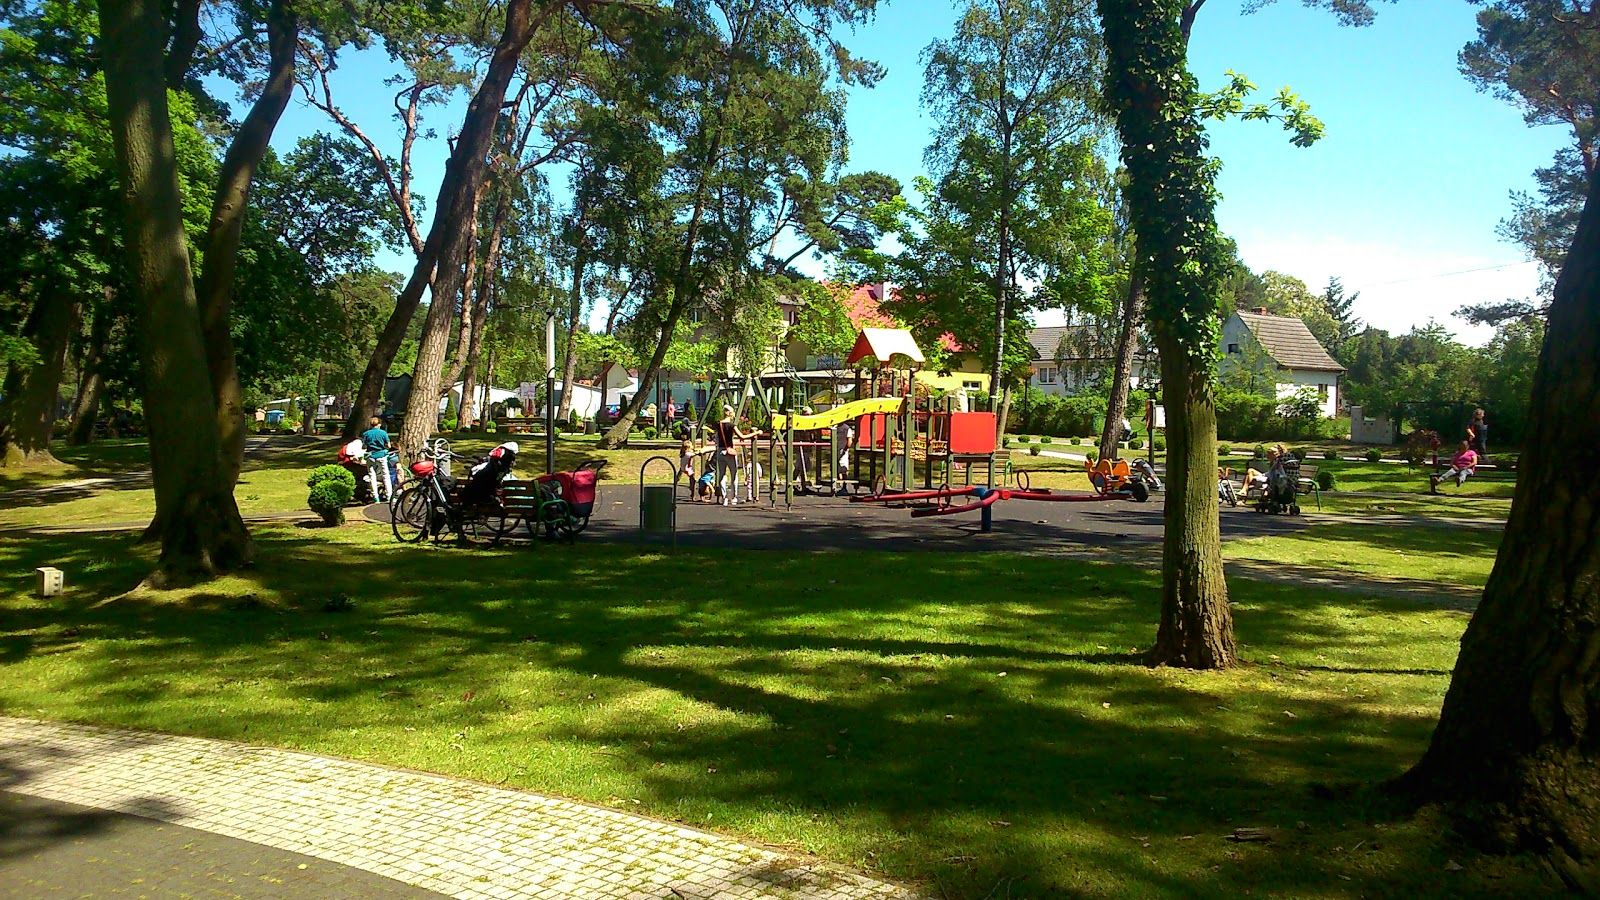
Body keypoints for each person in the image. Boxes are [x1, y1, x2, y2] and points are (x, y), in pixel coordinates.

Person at [713, 405, 752, 506]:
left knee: (722, 475)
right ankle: (733, 497)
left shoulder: (719, 424)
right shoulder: (732, 425)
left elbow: (716, 437)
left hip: (720, 451)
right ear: (730, 413)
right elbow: (742, 436)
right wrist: (755, 433)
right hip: (729, 451)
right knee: (734, 475)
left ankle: (724, 497)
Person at [361, 416, 398, 492]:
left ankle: (375, 497)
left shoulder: (366, 434)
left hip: (370, 456)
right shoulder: (383, 433)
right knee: (386, 475)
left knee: (372, 476)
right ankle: (389, 495)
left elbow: (364, 446)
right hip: (381, 455)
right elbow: (388, 445)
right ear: (379, 424)